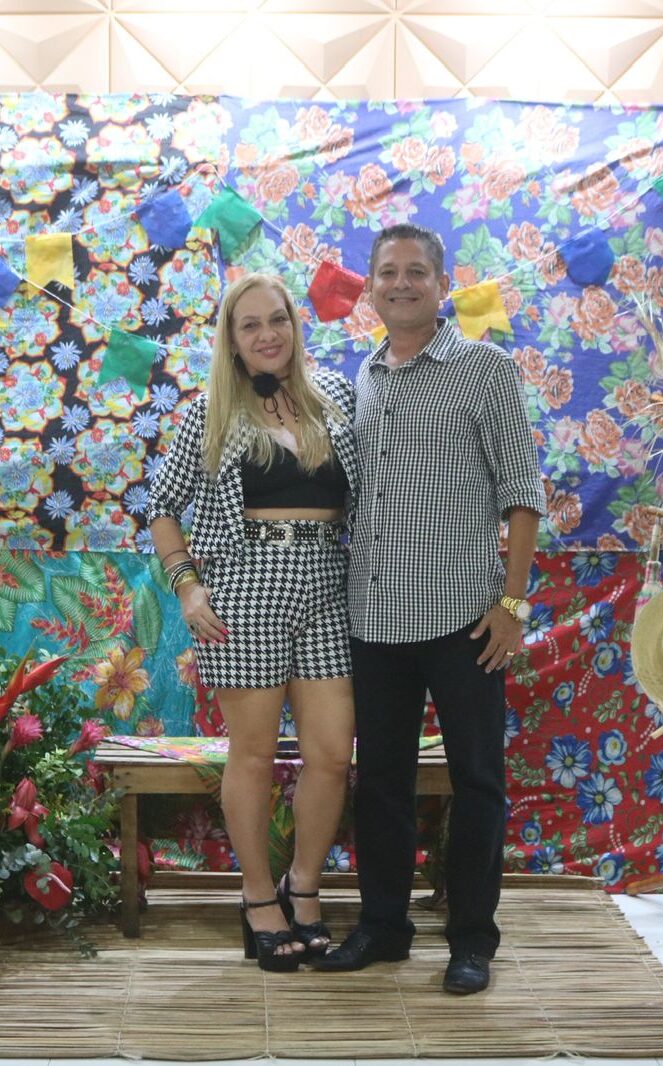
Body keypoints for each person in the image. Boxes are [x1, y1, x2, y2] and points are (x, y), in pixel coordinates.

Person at [314, 224, 545, 994]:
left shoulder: (485, 370)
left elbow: (522, 494)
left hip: (465, 619)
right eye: (388, 272)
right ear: (372, 288)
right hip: (374, 618)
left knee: (477, 780)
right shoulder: (364, 375)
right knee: (382, 780)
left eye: (417, 271)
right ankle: (384, 926)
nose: (401, 283)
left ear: (443, 285)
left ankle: (472, 939)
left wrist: (511, 603)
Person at [146, 273, 357, 972]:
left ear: (295, 325)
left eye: (278, 319)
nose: (268, 334)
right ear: (232, 341)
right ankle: (258, 897)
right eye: (250, 325)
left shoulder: (337, 397)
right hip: (247, 586)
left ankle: (305, 886)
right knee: (255, 754)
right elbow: (161, 504)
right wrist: (187, 587)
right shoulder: (213, 411)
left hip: (328, 582)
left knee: (331, 754)